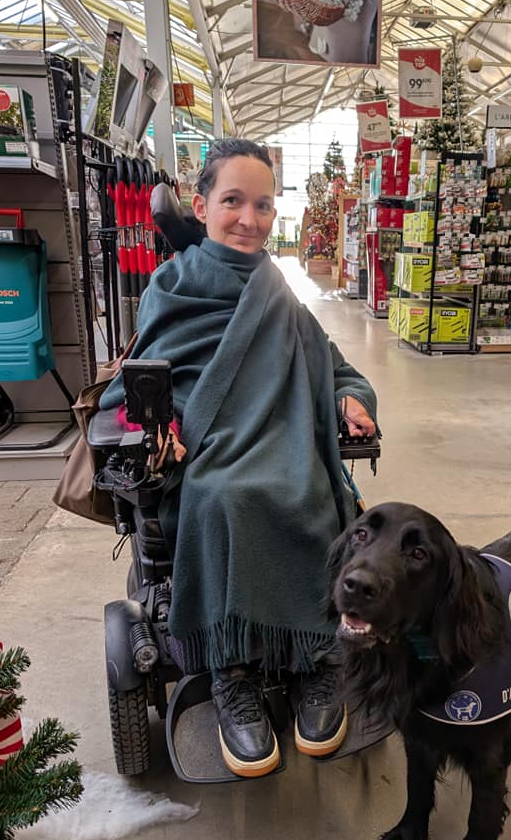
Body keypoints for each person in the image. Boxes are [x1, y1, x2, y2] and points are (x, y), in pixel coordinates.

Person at [99, 139, 378, 779]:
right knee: (226, 499)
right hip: (207, 459)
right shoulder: (171, 289)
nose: (248, 219)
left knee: (316, 496)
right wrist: (158, 424)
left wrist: (351, 404)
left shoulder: (283, 295)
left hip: (287, 446)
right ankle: (232, 672)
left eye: (261, 205)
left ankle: (313, 658)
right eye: (232, 201)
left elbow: (340, 372)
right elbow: (129, 392)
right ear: (200, 206)